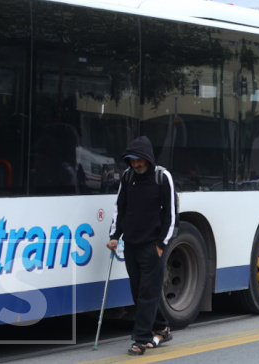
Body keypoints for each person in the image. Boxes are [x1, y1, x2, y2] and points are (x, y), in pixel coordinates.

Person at [107, 136, 177, 356]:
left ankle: (141, 339)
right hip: (131, 246)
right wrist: (115, 235)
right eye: (133, 161)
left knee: (147, 293)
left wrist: (160, 244)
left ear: (147, 159)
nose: (136, 165)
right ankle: (162, 328)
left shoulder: (162, 177)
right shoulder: (127, 178)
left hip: (152, 247)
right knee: (138, 293)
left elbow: (171, 214)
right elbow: (121, 208)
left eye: (140, 161)